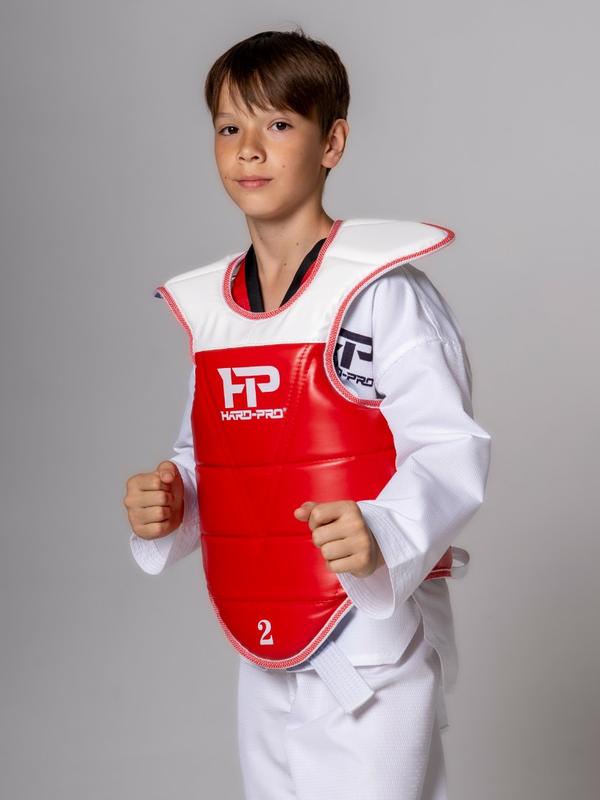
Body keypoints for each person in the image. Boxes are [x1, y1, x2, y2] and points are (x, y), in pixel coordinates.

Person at [123, 27, 492, 800]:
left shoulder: (382, 295)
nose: (250, 150)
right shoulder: (216, 312)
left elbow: (448, 447)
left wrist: (383, 528)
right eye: (230, 128)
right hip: (265, 637)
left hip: (369, 641)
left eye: (279, 124)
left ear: (333, 142)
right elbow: (217, 452)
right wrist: (174, 497)